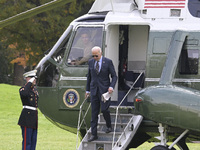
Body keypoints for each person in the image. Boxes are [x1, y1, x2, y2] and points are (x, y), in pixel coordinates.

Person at [85, 46, 117, 142]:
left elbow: (114, 76)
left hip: (105, 91)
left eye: (96, 55)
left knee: (104, 109)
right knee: (94, 113)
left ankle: (108, 125)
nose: (95, 57)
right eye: (93, 55)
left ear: (101, 53)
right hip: (94, 90)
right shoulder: (91, 62)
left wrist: (111, 86)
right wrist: (87, 91)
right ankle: (94, 134)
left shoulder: (108, 62)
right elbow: (89, 77)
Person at [18, 70, 39, 150]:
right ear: (27, 79)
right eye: (32, 78)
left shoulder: (34, 90)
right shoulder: (23, 89)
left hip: (33, 118)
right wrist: (29, 83)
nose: (34, 80)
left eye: (34, 78)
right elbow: (24, 94)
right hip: (27, 118)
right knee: (27, 142)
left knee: (33, 141)